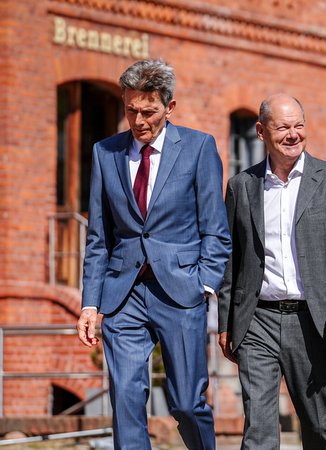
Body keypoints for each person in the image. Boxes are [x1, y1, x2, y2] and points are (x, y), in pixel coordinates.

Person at [76, 59, 231, 450]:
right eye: (131, 110)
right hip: (122, 294)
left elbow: (215, 229)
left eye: (149, 111)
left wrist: (204, 285)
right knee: (126, 399)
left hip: (180, 293)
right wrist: (90, 303)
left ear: (169, 107)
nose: (139, 120)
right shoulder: (104, 152)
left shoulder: (198, 148)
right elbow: (99, 236)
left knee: (187, 402)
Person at [217, 94, 326, 450]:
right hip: (257, 321)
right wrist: (225, 322)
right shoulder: (241, 186)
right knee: (258, 428)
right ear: (261, 131)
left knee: (319, 425)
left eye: (299, 125)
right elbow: (230, 259)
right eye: (283, 127)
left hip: (313, 321)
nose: (293, 134)